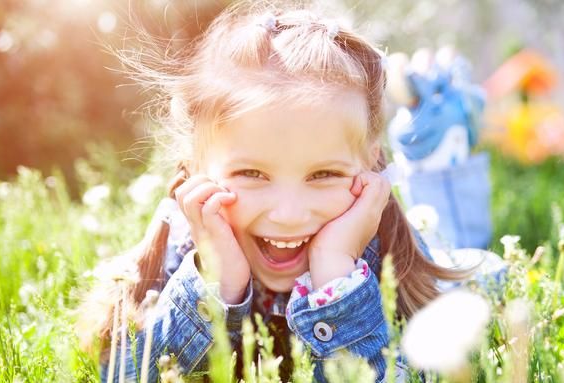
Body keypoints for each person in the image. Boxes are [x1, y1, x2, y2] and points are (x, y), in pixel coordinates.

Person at [75, 3, 474, 382]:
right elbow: (122, 375)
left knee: (463, 242)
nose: (288, 214)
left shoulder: (379, 249)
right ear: (196, 168)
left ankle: (440, 154)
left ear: (370, 167)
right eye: (252, 173)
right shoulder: (187, 241)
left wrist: (335, 271)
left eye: (323, 174)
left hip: (458, 268)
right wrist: (217, 284)